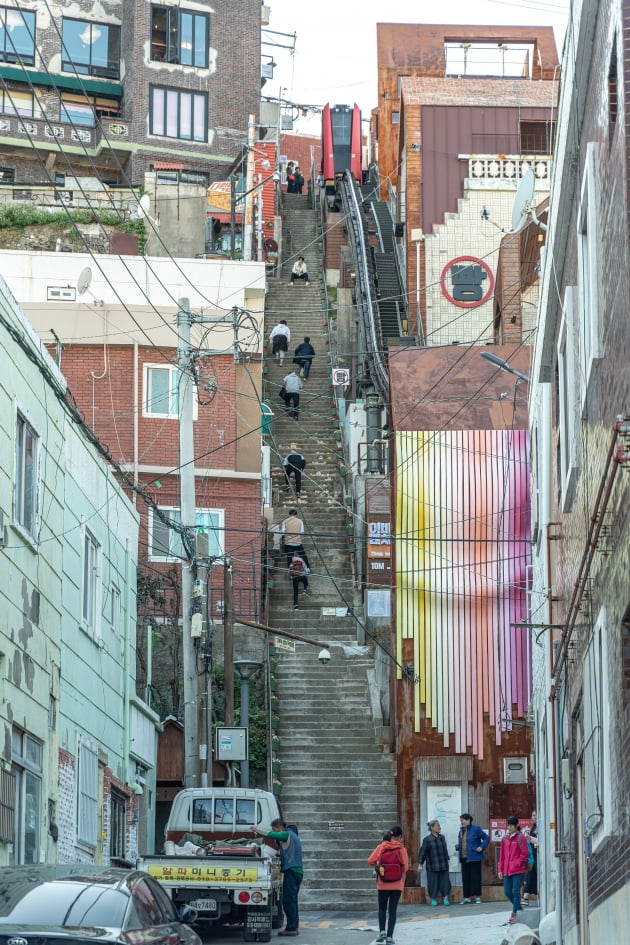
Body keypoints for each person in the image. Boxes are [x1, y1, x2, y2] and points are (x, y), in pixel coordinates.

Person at [252, 818, 303, 936]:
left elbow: (272, 834)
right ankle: (294, 927)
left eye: (275, 829)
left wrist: (257, 829)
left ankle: (291, 928)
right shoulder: (294, 837)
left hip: (291, 870)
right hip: (298, 871)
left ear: (280, 827)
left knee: (288, 901)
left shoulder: (287, 834)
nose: (276, 833)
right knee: (293, 901)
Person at [367, 826, 409, 944]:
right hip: (397, 885)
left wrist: (379, 864)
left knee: (382, 909)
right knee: (392, 910)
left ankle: (382, 932)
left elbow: (370, 860)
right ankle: (390, 937)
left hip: (383, 884)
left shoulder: (381, 847)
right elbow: (405, 867)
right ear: (399, 837)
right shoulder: (402, 849)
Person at [498, 815, 530, 924]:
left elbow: (525, 854)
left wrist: (517, 863)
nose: (509, 827)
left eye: (512, 825)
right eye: (508, 825)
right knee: (507, 892)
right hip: (507, 870)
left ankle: (514, 913)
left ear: (517, 825)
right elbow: (501, 856)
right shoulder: (504, 839)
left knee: (515, 891)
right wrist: (500, 869)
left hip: (518, 870)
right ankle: (519, 908)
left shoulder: (521, 837)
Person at [455, 813, 489, 904]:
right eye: (461, 820)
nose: (461, 822)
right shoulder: (461, 831)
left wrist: (481, 847)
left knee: (475, 877)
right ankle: (467, 898)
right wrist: (458, 846)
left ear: (468, 820)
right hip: (464, 858)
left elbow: (486, 838)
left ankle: (478, 897)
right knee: (465, 878)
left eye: (463, 820)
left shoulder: (476, 829)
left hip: (475, 857)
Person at [418, 819, 451, 907]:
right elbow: (422, 852)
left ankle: (446, 898)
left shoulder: (442, 837)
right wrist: (420, 864)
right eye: (438, 826)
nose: (440, 827)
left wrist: (447, 859)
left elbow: (445, 850)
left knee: (445, 882)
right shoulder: (427, 840)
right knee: (433, 882)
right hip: (432, 865)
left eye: (439, 825)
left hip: (443, 864)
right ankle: (433, 899)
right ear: (432, 827)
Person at [521, 811, 538, 906]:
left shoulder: (540, 827)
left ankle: (526, 897)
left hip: (537, 855)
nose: (533, 817)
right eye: (532, 815)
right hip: (532, 855)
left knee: (531, 875)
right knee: (530, 874)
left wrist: (530, 838)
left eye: (535, 815)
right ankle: (525, 896)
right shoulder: (533, 827)